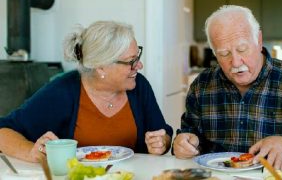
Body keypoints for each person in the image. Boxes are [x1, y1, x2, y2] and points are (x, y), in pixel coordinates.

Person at [173, 5, 282, 169]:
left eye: (242, 49)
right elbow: (190, 137)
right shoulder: (202, 85)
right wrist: (186, 143)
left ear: (259, 40)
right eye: (224, 54)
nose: (236, 62)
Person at [0, 21, 173, 163]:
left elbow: (162, 134)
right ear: (101, 67)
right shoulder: (62, 91)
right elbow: (3, 130)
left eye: (138, 56)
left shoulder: (139, 86)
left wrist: (161, 143)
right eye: (131, 61)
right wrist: (30, 152)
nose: (139, 66)